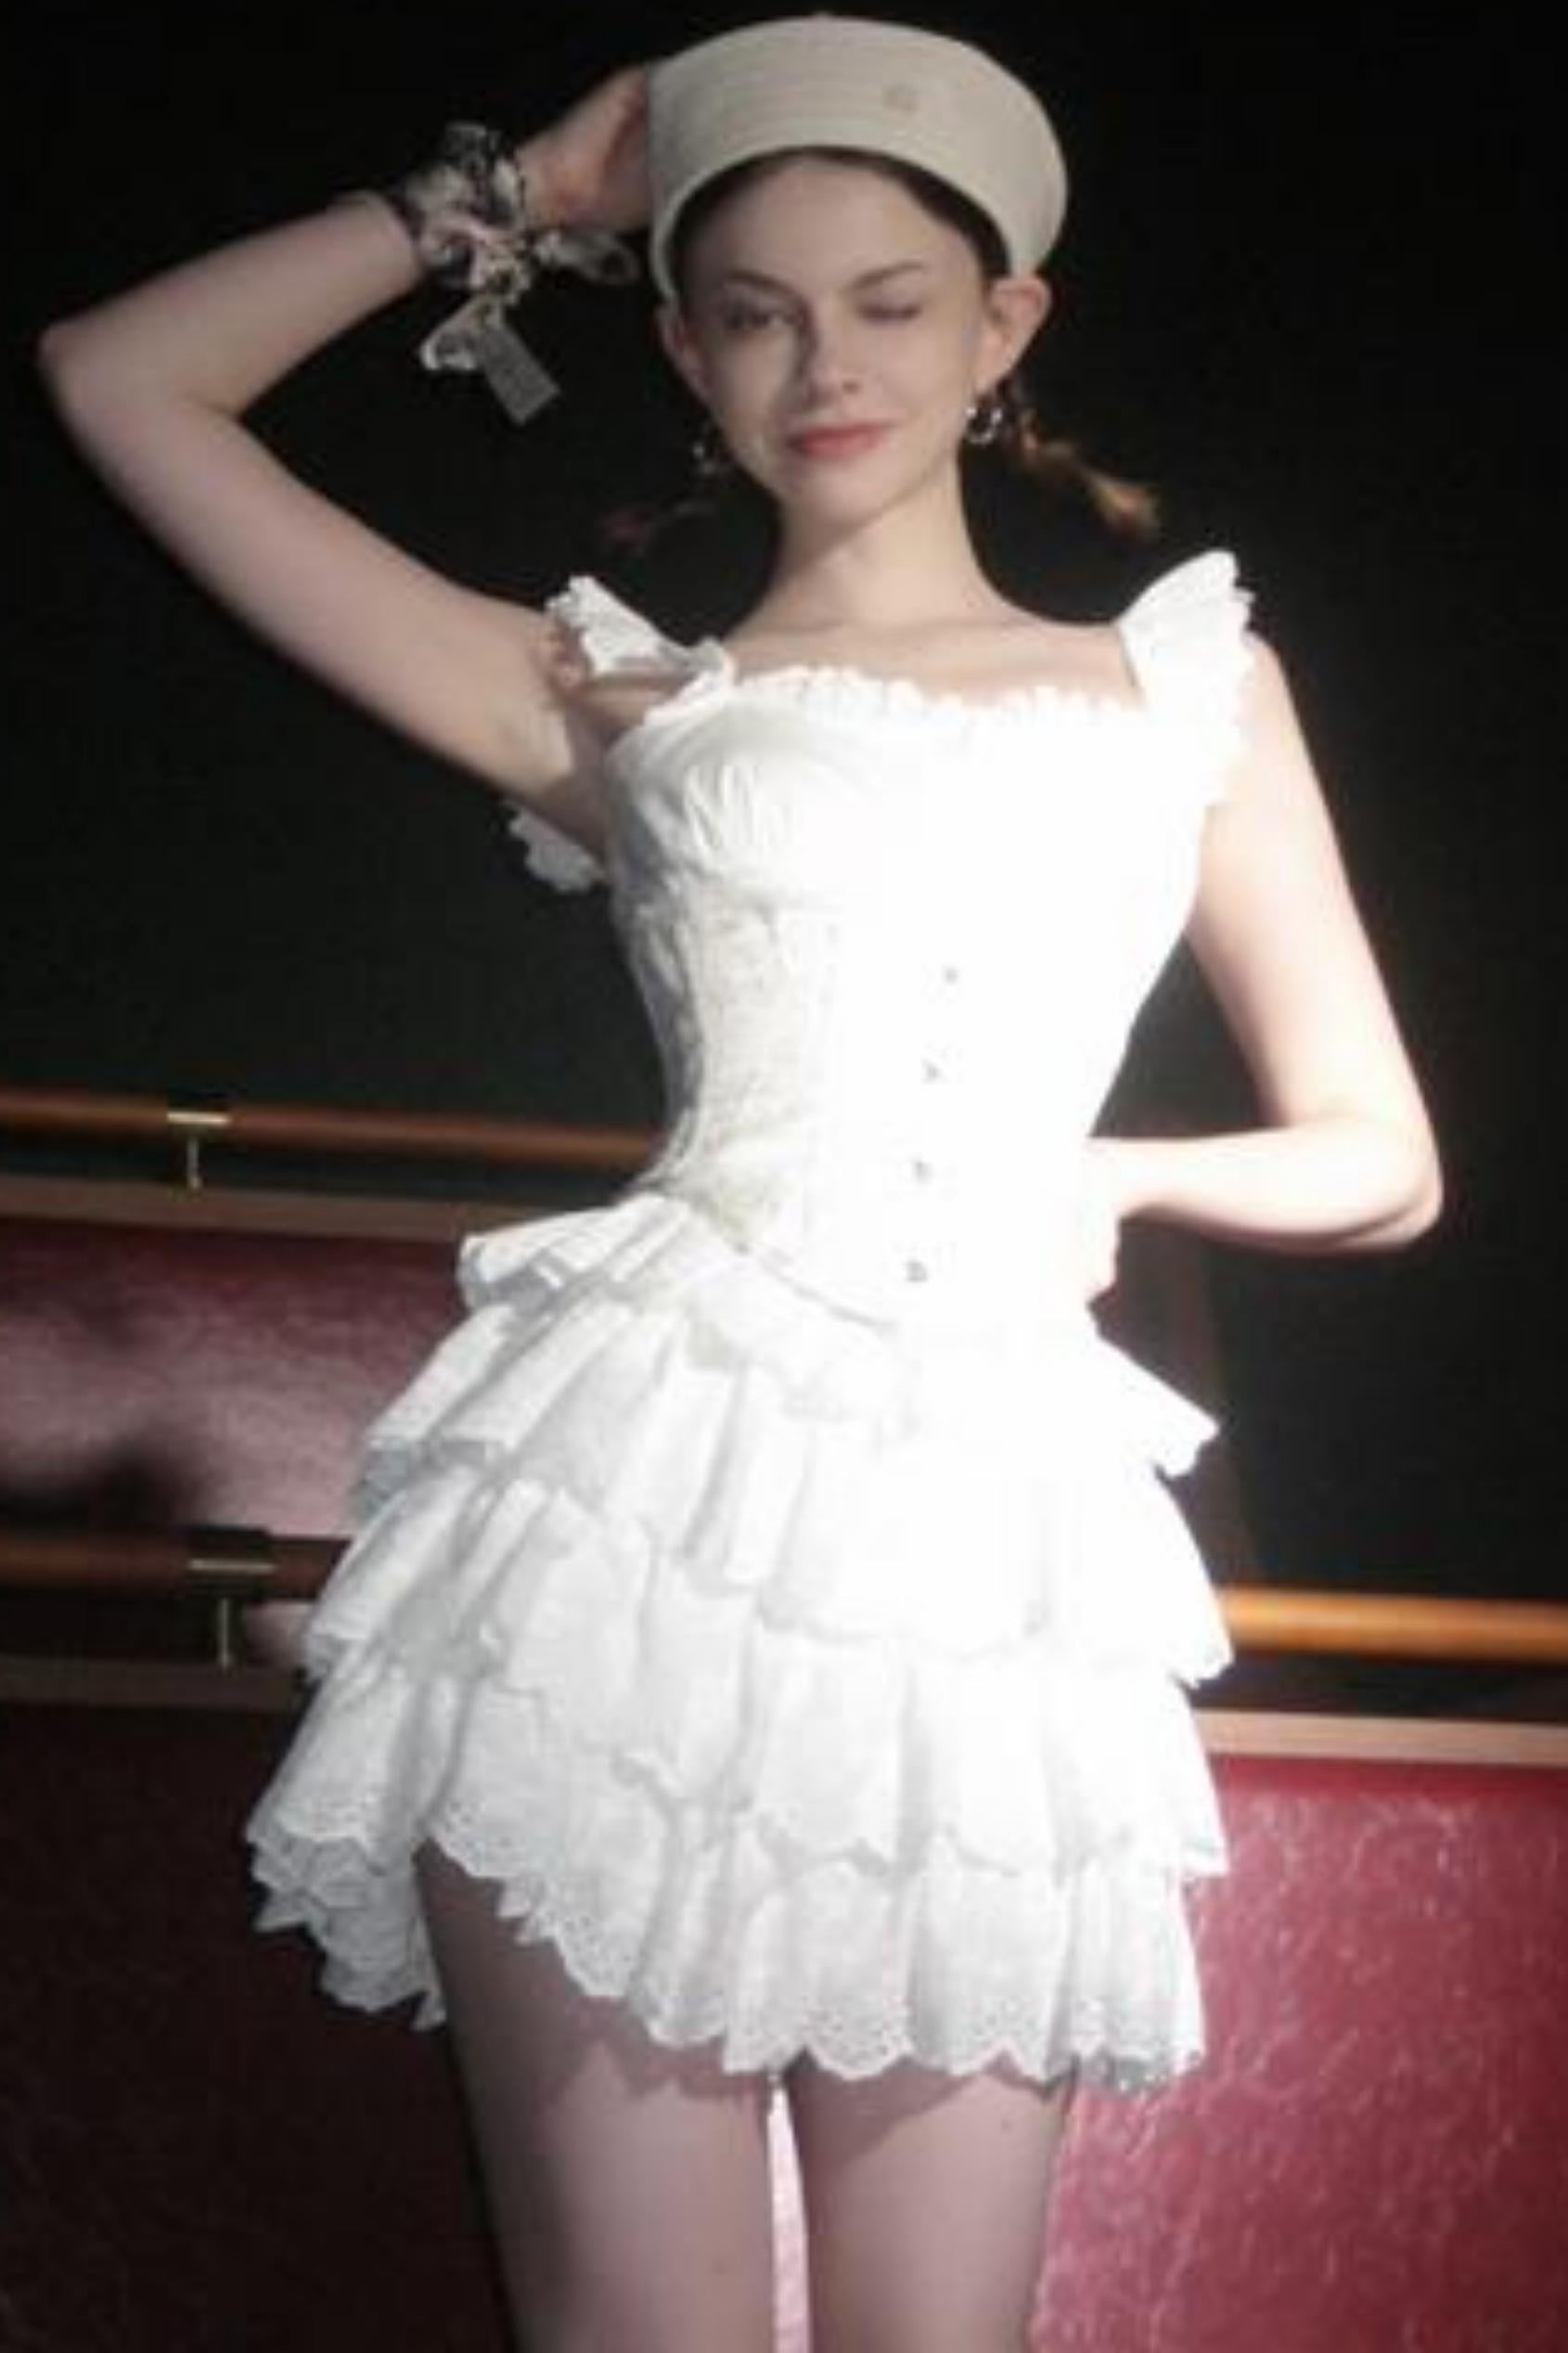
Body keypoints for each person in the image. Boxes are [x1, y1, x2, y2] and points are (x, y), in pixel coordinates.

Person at [40, 15, 1442, 2349]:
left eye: (890, 302)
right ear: (684, 354)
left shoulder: (1183, 689)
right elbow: (120, 383)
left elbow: (1378, 1154)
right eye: (758, 313)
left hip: (987, 1541)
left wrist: (1111, 1173)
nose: (828, 364)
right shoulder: (619, 697)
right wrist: (505, 197)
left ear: (1000, 327)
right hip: (636, 1511)